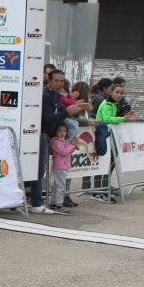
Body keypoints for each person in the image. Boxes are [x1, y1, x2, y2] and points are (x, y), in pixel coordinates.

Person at [29, 69, 88, 213]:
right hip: (41, 134)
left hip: (47, 135)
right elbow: (49, 118)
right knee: (39, 169)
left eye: (62, 81)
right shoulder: (45, 96)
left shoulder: (57, 96)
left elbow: (63, 114)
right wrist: (67, 111)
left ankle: (35, 200)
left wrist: (75, 110)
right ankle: (36, 203)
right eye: (56, 80)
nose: (59, 84)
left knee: (40, 169)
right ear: (49, 81)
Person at [93, 83, 135, 202]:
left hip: (111, 137)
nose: (119, 95)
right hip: (104, 136)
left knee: (111, 164)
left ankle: (104, 188)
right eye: (117, 92)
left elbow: (114, 118)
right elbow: (106, 119)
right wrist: (122, 118)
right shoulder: (107, 103)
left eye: (121, 93)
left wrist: (124, 117)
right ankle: (99, 191)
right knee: (105, 164)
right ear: (111, 92)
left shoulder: (116, 104)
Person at [48, 123, 76, 215]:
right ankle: (59, 205)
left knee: (57, 185)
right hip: (60, 166)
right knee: (60, 186)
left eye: (64, 131)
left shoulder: (62, 142)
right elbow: (64, 152)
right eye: (59, 131)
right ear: (55, 132)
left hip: (62, 165)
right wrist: (72, 146)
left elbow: (66, 151)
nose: (62, 133)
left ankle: (53, 203)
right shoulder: (56, 142)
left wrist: (72, 147)